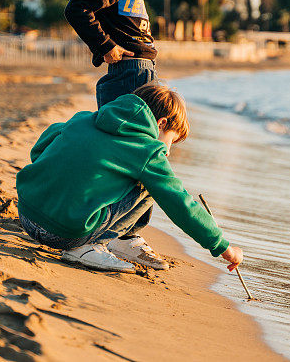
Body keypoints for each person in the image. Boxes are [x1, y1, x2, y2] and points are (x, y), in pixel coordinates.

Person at [16, 83, 243, 274]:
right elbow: (179, 203)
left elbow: (39, 149)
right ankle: (91, 245)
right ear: (161, 124)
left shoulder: (83, 118)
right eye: (171, 140)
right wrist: (222, 247)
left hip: (27, 214)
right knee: (151, 185)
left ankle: (83, 235)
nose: (169, 150)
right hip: (64, 235)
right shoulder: (147, 150)